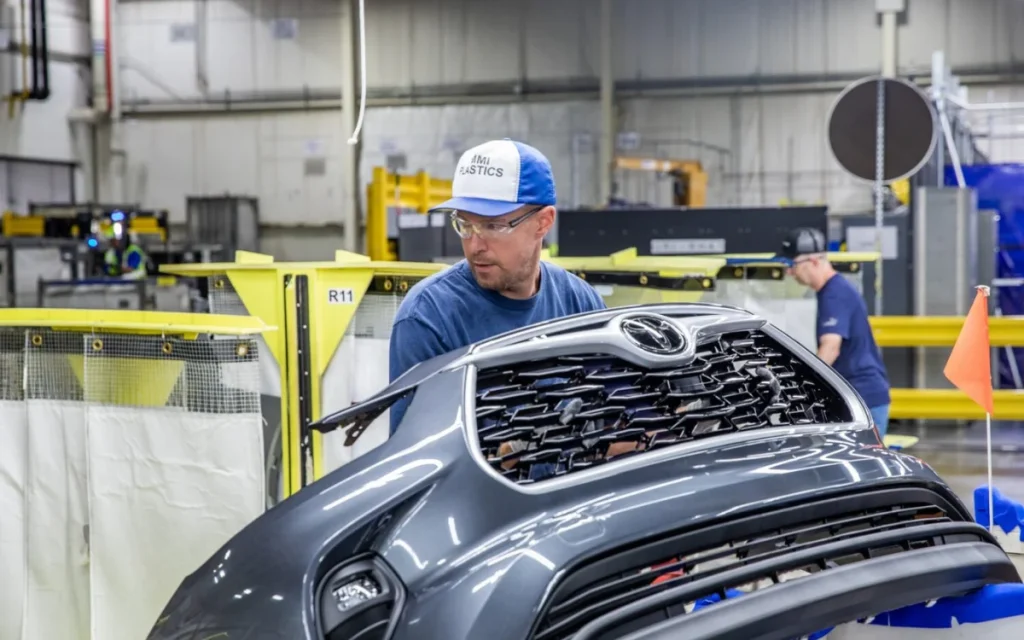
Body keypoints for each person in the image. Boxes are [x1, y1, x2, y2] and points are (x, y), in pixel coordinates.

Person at [387, 138, 606, 435]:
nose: (475, 245)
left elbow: (608, 416)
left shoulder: (580, 304)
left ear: (543, 222)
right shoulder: (429, 316)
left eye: (494, 226)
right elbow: (416, 457)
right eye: (465, 225)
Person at [777, 227, 892, 437]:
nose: (789, 272)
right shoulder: (832, 290)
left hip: (862, 397)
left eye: (792, 265)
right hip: (860, 396)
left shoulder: (834, 295)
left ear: (813, 261)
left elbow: (830, 348)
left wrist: (802, 387)